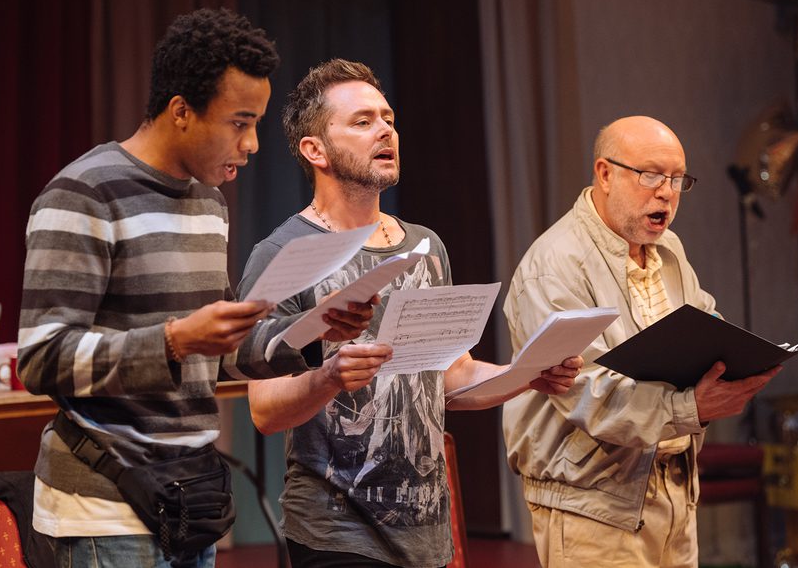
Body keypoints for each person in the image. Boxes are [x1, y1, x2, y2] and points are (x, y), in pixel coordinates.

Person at [17, 9, 374, 568]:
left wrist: (312, 332)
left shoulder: (208, 204)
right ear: (181, 111)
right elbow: (41, 359)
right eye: (239, 122)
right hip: (103, 508)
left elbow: (224, 354)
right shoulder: (85, 193)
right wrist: (174, 341)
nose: (253, 143)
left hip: (186, 499)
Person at [238, 58, 584, 568]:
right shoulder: (284, 254)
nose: (385, 130)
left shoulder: (426, 246)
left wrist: (527, 374)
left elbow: (450, 376)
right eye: (362, 122)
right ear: (315, 150)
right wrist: (330, 377)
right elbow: (264, 410)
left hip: (428, 534)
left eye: (388, 119)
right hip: (336, 532)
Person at [501, 115, 782, 567]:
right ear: (605, 173)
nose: (666, 192)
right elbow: (585, 394)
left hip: (672, 494)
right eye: (650, 175)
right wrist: (690, 408)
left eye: (676, 179)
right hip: (592, 505)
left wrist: (739, 360)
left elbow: (706, 323)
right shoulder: (554, 266)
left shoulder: (668, 249)